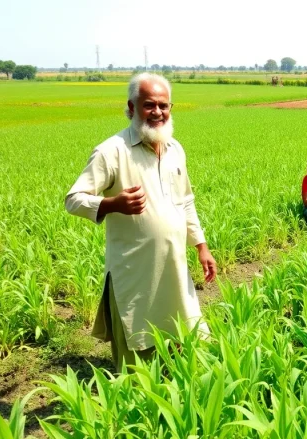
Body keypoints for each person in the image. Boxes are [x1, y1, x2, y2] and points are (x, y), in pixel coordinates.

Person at [64, 73, 217, 372]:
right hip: (134, 272)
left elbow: (185, 200)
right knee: (138, 348)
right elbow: (74, 199)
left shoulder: (175, 149)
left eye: (164, 105)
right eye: (149, 105)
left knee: (181, 339)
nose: (158, 112)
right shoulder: (112, 151)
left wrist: (201, 245)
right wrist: (111, 204)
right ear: (132, 107)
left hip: (173, 265)